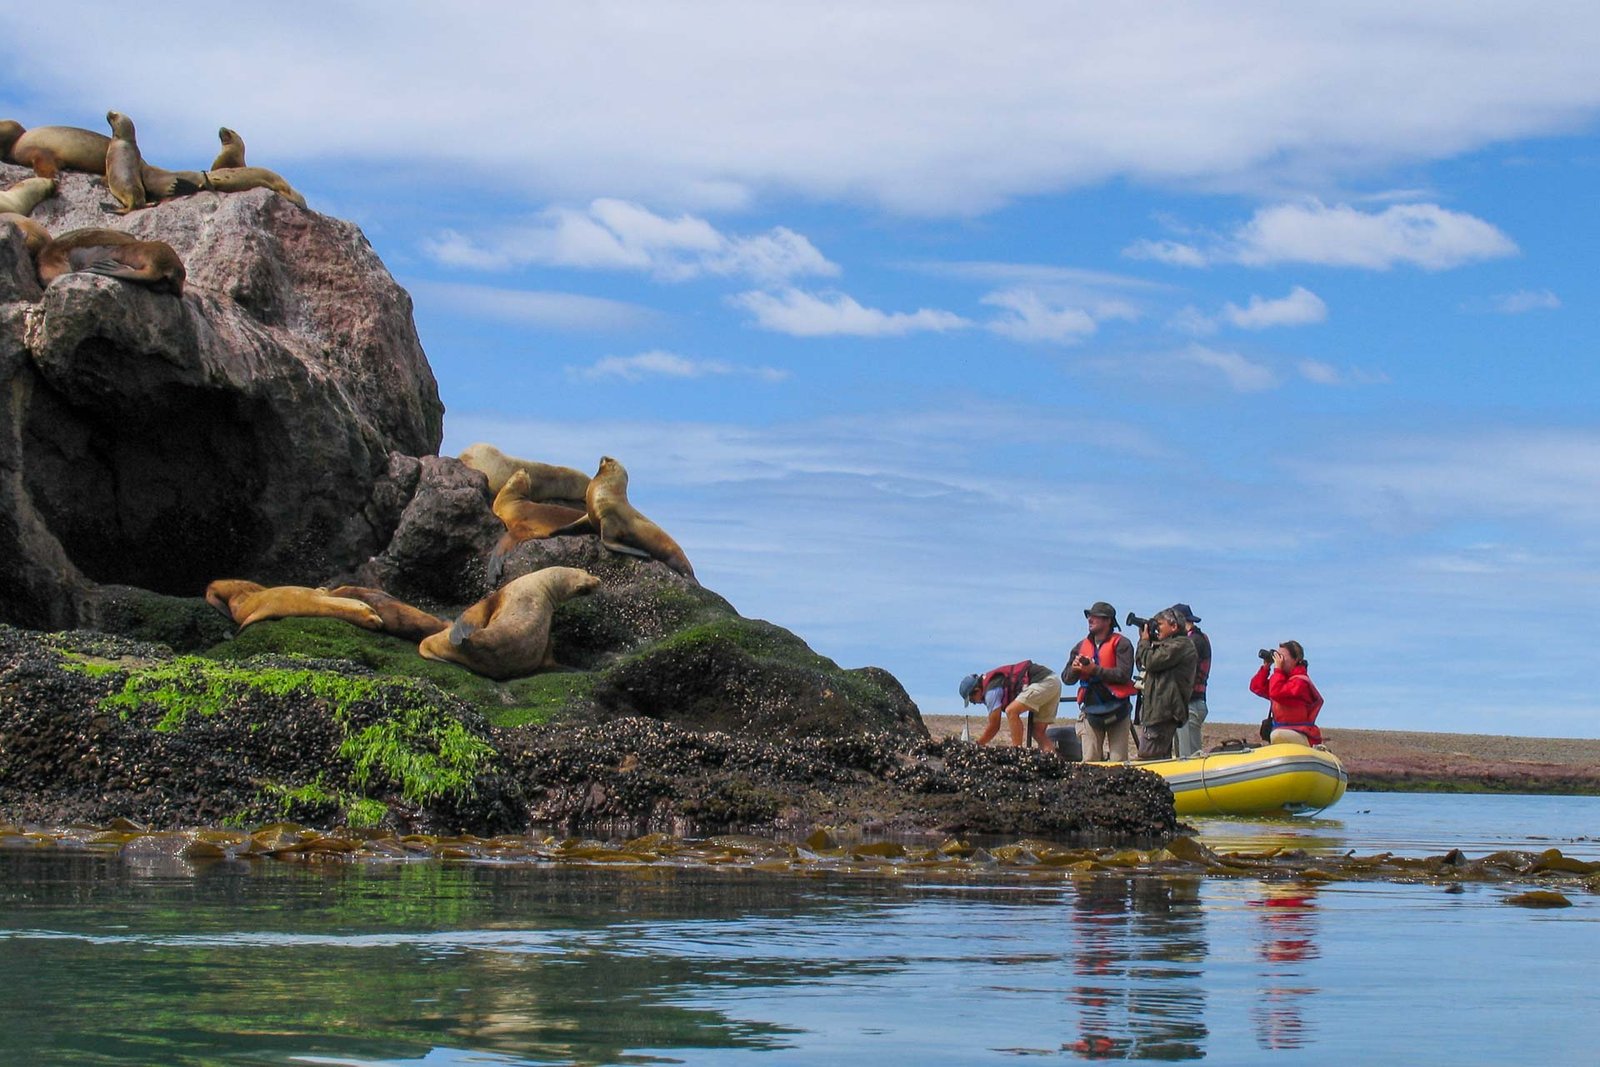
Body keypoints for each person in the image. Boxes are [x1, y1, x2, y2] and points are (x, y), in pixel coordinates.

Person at [1063, 602, 1136, 760]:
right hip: (1091, 710)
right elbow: (1066, 679)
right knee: (1089, 760)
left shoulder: (1122, 644)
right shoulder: (1080, 647)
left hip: (1118, 708)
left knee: (1119, 761)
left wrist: (1094, 670)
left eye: (1095, 616)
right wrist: (1075, 670)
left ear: (1108, 620)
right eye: (1090, 616)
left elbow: (1124, 674)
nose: (1090, 619)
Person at [1133, 607, 1198, 760]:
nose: (1156, 628)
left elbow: (1150, 661)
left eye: (1159, 624)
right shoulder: (1167, 646)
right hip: (1157, 712)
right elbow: (1142, 663)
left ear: (1174, 626)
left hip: (1163, 712)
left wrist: (1144, 642)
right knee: (1159, 759)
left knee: (1148, 757)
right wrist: (1145, 641)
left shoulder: (1181, 645)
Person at [958, 659, 1062, 753]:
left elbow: (994, 726)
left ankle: (1017, 753)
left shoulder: (991, 691)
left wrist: (977, 745)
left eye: (972, 700)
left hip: (1043, 682)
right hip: (1054, 682)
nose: (975, 703)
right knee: (1038, 733)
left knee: (1011, 711)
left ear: (977, 691)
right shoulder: (991, 684)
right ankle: (1056, 764)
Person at [1249, 640, 1324, 746]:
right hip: (1285, 731)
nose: (1278, 660)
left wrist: (1278, 670)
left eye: (1282, 656)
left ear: (1296, 660)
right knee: (1277, 734)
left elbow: (1277, 693)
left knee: (1277, 735)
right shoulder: (1281, 680)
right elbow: (1256, 687)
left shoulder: (1301, 682)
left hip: (1302, 733)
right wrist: (1266, 667)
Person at [1171, 604, 1210, 758]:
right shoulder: (1198, 639)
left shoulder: (1194, 641)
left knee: (1190, 758)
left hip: (1190, 704)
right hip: (1190, 703)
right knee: (1184, 756)